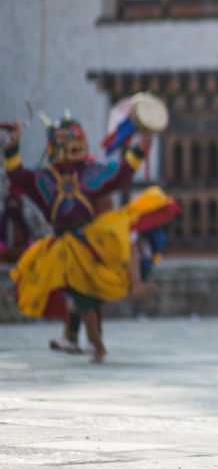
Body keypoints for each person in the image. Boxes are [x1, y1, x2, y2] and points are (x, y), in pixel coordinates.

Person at [3, 117, 176, 363]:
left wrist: (141, 146)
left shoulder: (89, 173)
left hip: (89, 238)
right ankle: (92, 344)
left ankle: (95, 342)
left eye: (77, 139)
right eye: (67, 140)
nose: (75, 145)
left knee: (90, 294)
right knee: (81, 295)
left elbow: (121, 173)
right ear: (55, 145)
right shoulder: (43, 179)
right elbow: (17, 175)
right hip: (64, 245)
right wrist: (13, 144)